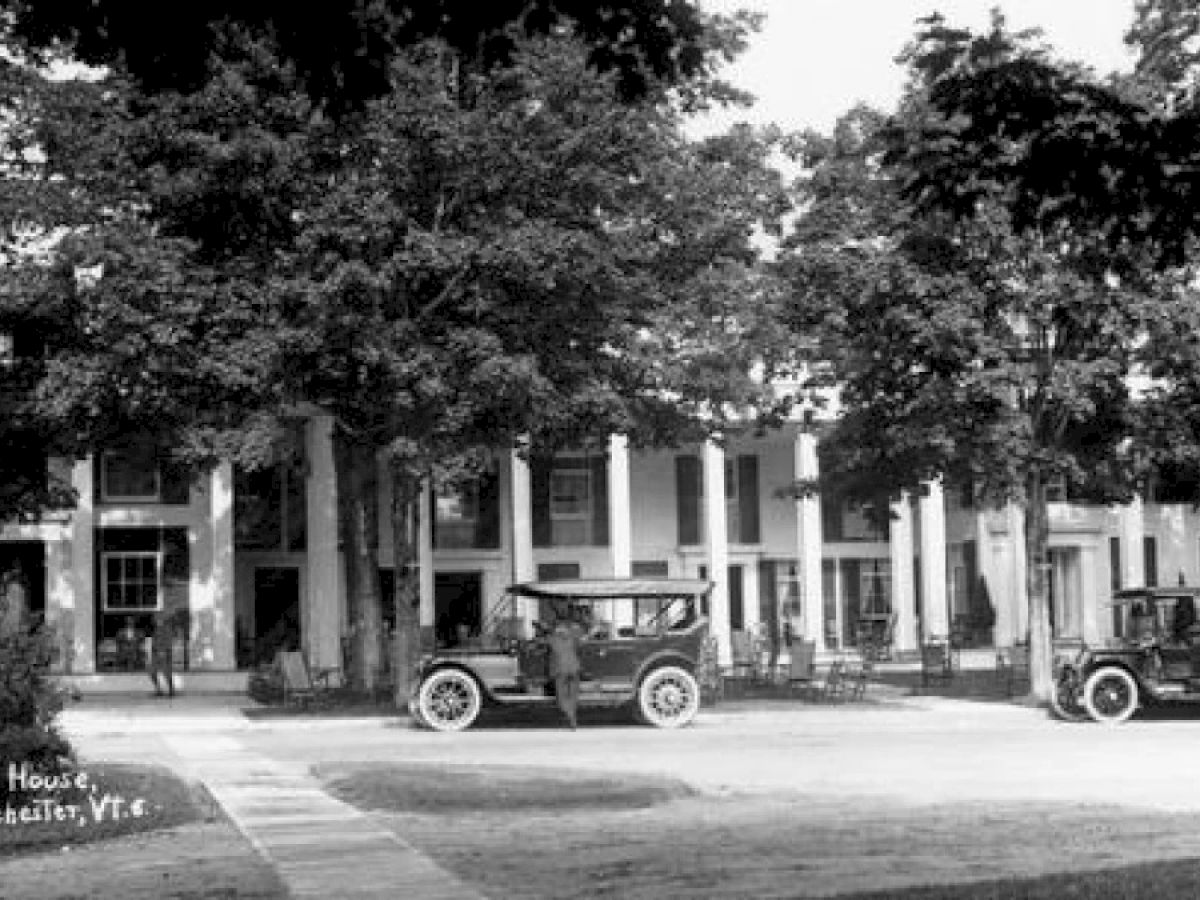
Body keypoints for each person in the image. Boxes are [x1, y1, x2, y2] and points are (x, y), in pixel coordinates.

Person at [547, 604, 584, 730]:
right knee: (573, 695)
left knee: (562, 697)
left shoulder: (552, 638)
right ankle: (572, 717)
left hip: (560, 671)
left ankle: (571, 716)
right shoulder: (573, 636)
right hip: (574, 668)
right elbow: (579, 641)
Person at [148, 610, 176, 698]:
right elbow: (154, 641)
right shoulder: (156, 629)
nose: (156, 621)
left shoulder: (166, 629)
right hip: (155, 653)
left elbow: (168, 641)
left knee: (166, 672)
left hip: (164, 653)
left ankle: (171, 690)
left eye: (158, 619)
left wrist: (164, 651)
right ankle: (158, 690)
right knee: (152, 672)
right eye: (155, 619)